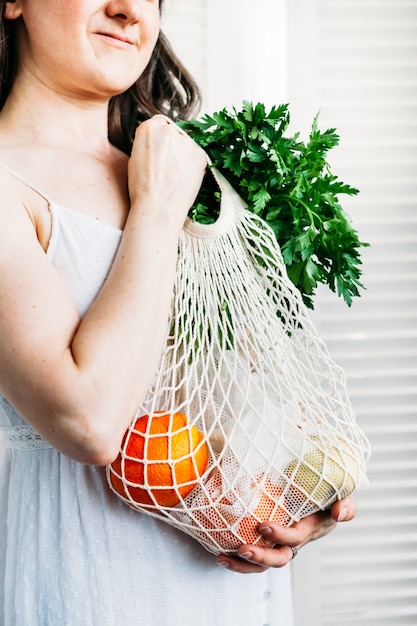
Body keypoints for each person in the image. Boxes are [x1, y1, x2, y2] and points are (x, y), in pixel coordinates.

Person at [0, 1, 357, 624]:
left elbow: (236, 402)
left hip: (226, 583)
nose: (126, 8)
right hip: (91, 578)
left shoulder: (201, 176)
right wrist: (158, 208)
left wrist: (276, 502)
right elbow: (88, 421)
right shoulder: (20, 184)